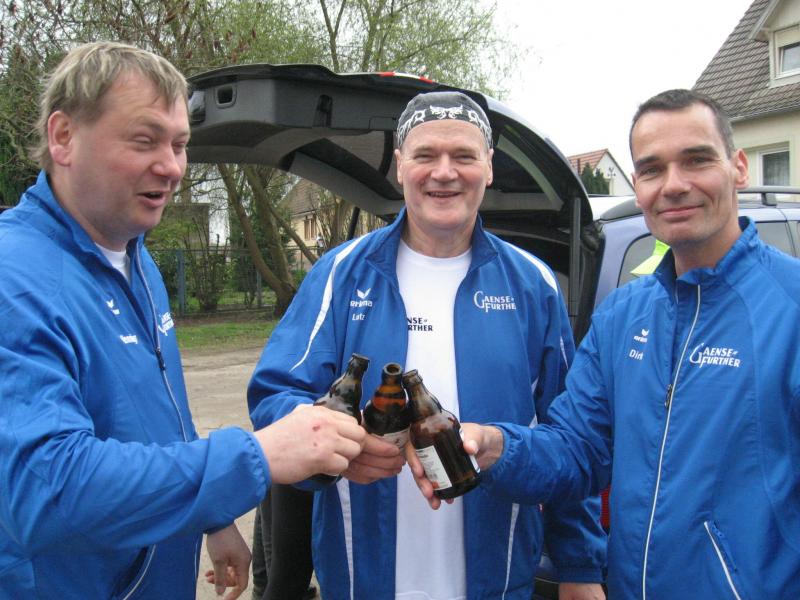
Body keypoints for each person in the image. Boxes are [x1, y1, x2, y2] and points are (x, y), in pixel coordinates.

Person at [0, 41, 366, 600]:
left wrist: (212, 516)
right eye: (144, 140)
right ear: (63, 136)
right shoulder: (15, 277)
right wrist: (257, 457)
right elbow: (48, 489)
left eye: (179, 144)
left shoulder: (134, 256)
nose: (171, 167)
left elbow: (159, 415)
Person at [417, 88, 800, 598]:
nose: (674, 185)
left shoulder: (790, 308)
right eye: (652, 169)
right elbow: (576, 452)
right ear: (638, 187)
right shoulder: (623, 315)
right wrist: (495, 447)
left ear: (739, 168)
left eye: (696, 160)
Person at [248, 91, 606, 600]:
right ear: (400, 166)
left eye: (463, 155)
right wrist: (335, 450)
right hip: (362, 583)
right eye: (425, 155)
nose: (444, 172)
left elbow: (571, 438)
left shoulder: (533, 285)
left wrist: (580, 565)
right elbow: (275, 398)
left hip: (497, 583)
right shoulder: (340, 275)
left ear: (489, 166)